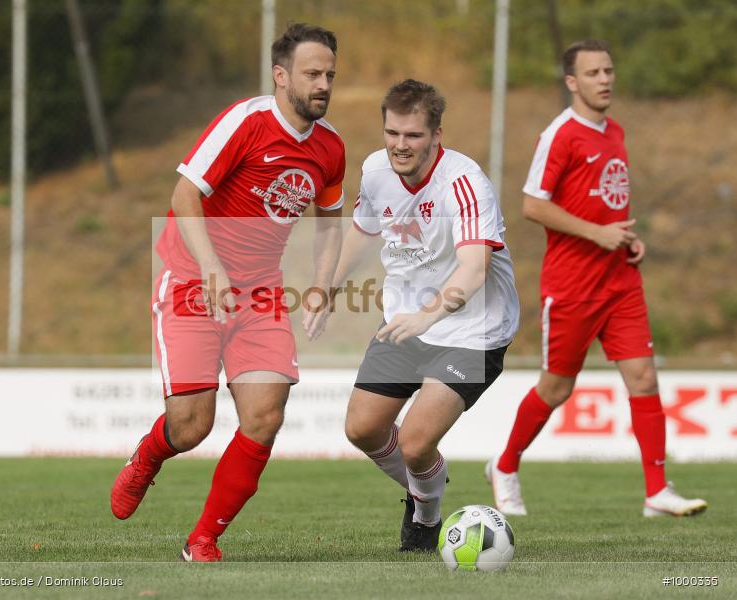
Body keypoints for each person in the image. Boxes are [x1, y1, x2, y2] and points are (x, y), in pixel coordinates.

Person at [110, 23, 345, 562]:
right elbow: (185, 193)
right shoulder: (246, 122)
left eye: (330, 74)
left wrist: (322, 285)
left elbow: (330, 223)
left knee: (265, 414)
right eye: (312, 73)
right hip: (194, 280)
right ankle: (148, 457)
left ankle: (203, 539)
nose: (324, 83)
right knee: (191, 427)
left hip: (260, 293)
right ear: (280, 76)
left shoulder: (330, 147)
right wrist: (212, 267)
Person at [486, 40, 707, 518]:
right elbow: (532, 205)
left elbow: (607, 202)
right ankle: (504, 466)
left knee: (644, 378)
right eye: (593, 73)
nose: (605, 79)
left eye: (609, 70)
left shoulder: (616, 132)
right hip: (572, 286)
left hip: (620, 280)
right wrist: (596, 233)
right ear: (572, 82)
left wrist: (626, 240)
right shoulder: (560, 135)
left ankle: (656, 491)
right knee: (557, 388)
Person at [327, 79, 519, 552]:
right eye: (392, 133)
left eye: (412, 135)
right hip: (405, 319)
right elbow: (362, 230)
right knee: (362, 429)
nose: (399, 145)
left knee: (414, 443)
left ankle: (427, 516)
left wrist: (427, 318)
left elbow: (475, 269)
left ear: (436, 134)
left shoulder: (465, 182)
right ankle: (426, 489)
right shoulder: (375, 169)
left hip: (473, 332)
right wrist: (327, 286)